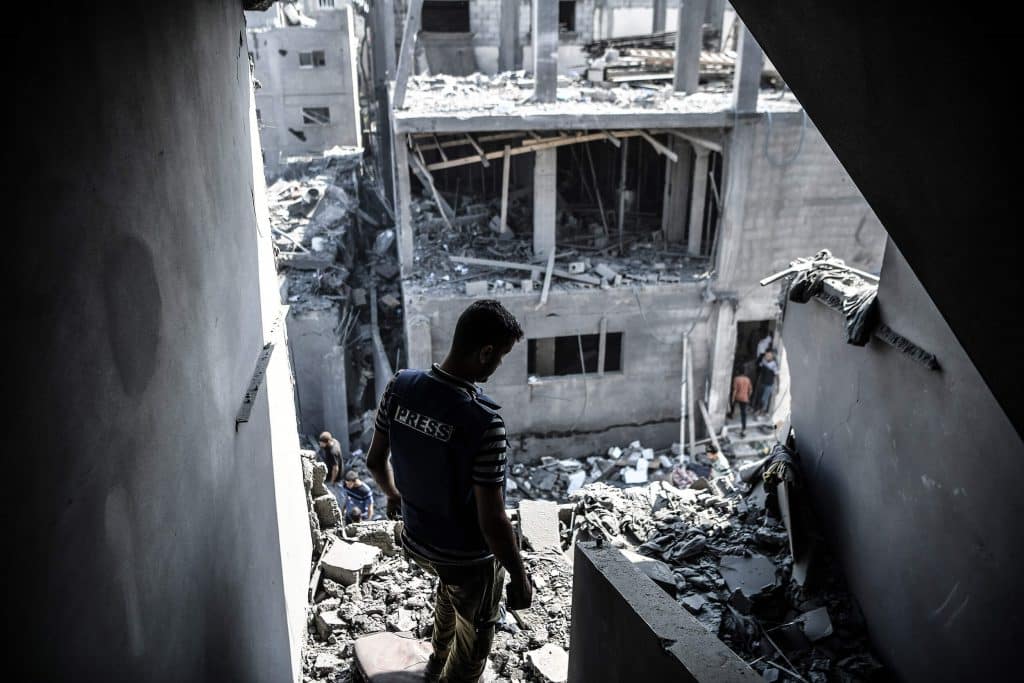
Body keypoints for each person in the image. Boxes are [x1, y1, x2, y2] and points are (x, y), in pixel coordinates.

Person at [366, 299, 533, 683]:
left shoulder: (399, 386)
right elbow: (492, 519)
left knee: (451, 587)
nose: (499, 365)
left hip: (417, 541)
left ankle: (435, 663)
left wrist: (394, 495)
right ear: (485, 352)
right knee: (474, 642)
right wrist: (519, 575)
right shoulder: (484, 422)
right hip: (464, 556)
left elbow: (376, 461)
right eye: (501, 356)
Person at [317, 431, 344, 499]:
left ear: (328, 442)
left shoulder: (332, 452)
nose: (320, 444)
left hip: (335, 478)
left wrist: (332, 481)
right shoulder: (335, 441)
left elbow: (335, 468)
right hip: (339, 470)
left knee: (334, 495)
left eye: (322, 443)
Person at [755, 350, 779, 416]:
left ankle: (762, 412)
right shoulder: (764, 362)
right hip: (762, 382)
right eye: (766, 355)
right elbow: (759, 367)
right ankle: (759, 411)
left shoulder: (774, 364)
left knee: (764, 399)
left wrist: (778, 386)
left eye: (768, 356)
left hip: (769, 384)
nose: (767, 357)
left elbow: (777, 375)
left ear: (772, 356)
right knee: (760, 398)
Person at [731, 370, 753, 436]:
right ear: (744, 373)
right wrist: (748, 396)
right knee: (744, 414)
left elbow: (735, 390)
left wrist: (732, 399)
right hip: (744, 398)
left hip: (737, 397)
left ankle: (732, 414)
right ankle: (744, 428)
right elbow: (751, 390)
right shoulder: (748, 379)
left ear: (738, 372)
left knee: (732, 405)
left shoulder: (736, 379)